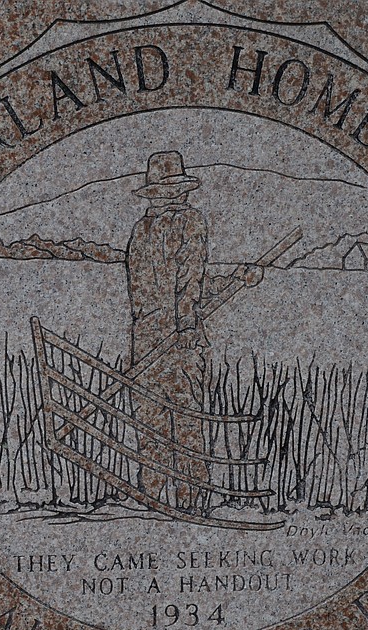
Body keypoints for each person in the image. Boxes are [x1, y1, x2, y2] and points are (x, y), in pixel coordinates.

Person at [125, 151, 262, 511]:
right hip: (179, 344)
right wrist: (186, 326)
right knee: (188, 424)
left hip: (146, 340)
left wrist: (234, 280)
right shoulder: (190, 223)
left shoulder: (141, 230)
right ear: (180, 191)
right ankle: (191, 504)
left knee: (151, 425)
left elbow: (147, 292)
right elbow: (188, 285)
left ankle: (153, 499)